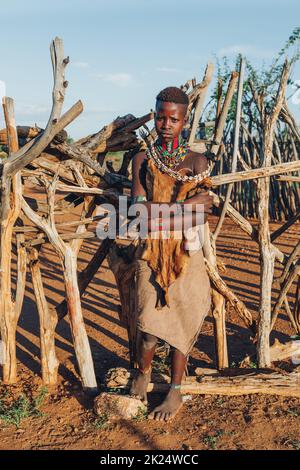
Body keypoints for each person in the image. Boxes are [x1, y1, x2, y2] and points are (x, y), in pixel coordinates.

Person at [129, 86, 212, 421]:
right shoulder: (141, 160)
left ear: (184, 120)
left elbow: (203, 210)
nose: (165, 124)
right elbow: (136, 209)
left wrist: (163, 209)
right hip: (150, 250)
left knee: (182, 318)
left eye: (173, 119)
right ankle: (143, 373)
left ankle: (175, 390)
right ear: (154, 115)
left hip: (186, 254)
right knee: (148, 319)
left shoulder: (197, 161)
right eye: (160, 117)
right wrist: (180, 206)